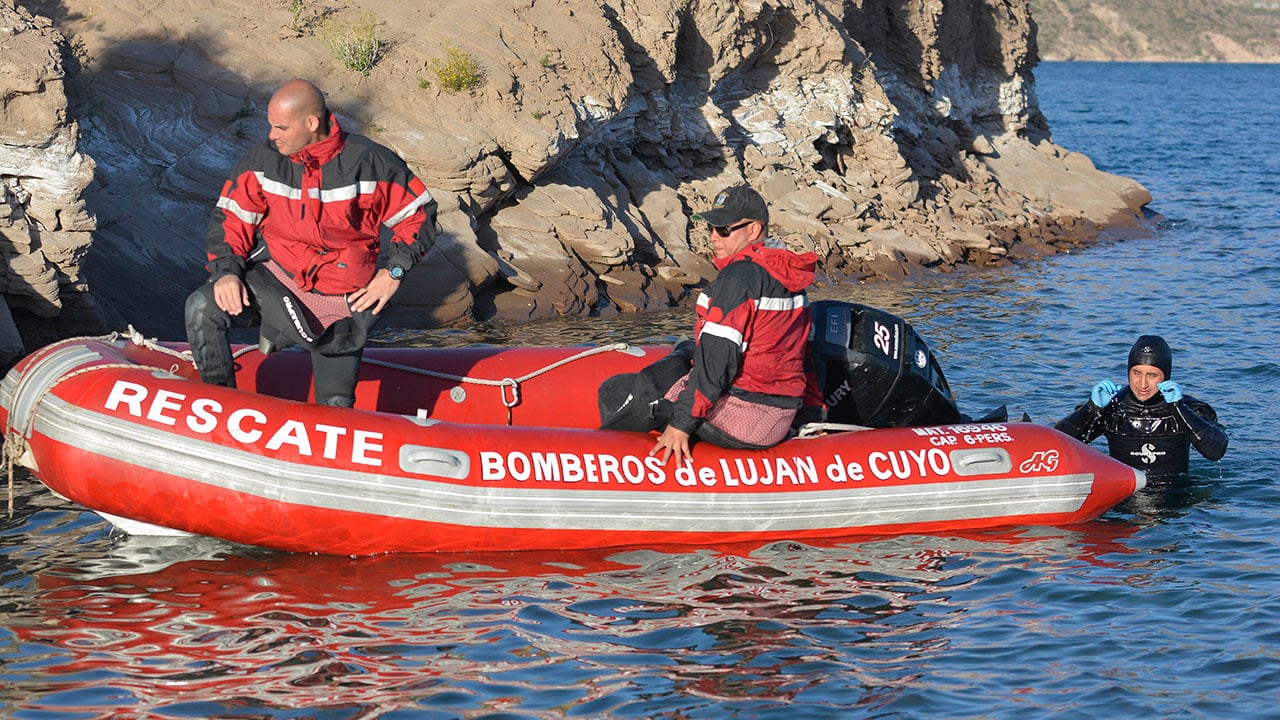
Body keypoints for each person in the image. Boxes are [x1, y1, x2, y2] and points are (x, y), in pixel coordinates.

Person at [184, 78, 438, 407]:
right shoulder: (262, 160)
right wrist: (226, 272)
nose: (272, 135)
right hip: (277, 280)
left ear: (312, 123)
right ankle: (218, 407)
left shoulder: (371, 162)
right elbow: (232, 219)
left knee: (335, 406)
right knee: (201, 307)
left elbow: (419, 216)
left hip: (344, 300)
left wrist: (393, 274)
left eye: (281, 127)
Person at [598, 184, 821, 467]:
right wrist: (813, 415)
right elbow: (807, 357)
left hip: (744, 417)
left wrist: (681, 425)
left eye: (723, 229)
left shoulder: (739, 277)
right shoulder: (790, 277)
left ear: (753, 230)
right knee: (683, 354)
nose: (713, 237)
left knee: (618, 391)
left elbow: (718, 359)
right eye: (711, 229)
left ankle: (609, 467)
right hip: (779, 415)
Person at [1055, 335, 1228, 477]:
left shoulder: (1189, 408)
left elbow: (1216, 451)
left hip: (1176, 494)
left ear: (1166, 377)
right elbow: (1058, 446)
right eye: (1136, 373)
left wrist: (1179, 409)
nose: (1142, 384)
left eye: (1152, 375)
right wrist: (1092, 408)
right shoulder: (1113, 408)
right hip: (1124, 492)